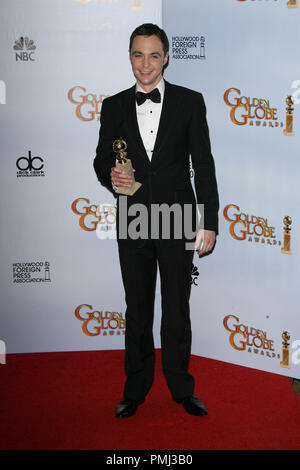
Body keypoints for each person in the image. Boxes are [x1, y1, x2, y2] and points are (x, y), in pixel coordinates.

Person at [93, 23, 219, 418]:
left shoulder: (190, 101)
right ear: (129, 57)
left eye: (152, 55)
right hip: (132, 217)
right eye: (137, 54)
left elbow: (203, 164)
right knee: (138, 307)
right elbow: (101, 159)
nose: (144, 64)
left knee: (177, 307)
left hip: (178, 216)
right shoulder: (113, 105)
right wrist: (111, 177)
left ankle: (182, 388)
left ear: (166, 57)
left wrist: (209, 220)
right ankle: (135, 389)